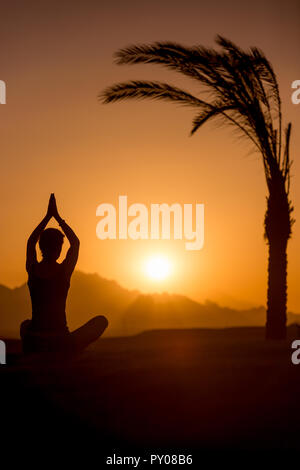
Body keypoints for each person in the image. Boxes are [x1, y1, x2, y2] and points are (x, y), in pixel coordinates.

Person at [20, 193, 108, 354]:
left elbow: (30, 241)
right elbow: (75, 242)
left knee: (25, 325)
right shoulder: (64, 271)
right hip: (60, 341)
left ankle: (37, 351)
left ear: (41, 247)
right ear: (60, 248)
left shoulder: (32, 270)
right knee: (101, 321)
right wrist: (58, 218)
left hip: (35, 340)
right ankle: (65, 352)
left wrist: (47, 217)